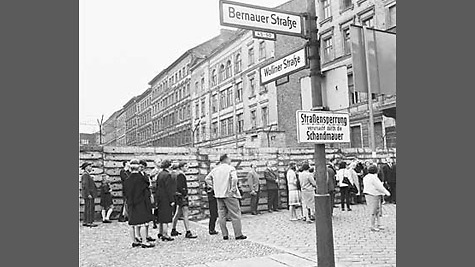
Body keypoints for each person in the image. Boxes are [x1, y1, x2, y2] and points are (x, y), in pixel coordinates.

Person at [205, 154, 247, 240]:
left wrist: (214, 186)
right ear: (226, 159)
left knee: (221, 215)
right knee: (235, 214)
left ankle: (225, 234)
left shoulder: (215, 169)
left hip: (218, 194)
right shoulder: (230, 168)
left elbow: (207, 178)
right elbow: (235, 179)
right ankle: (238, 234)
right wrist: (233, 188)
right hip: (229, 194)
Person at [123, 159, 155, 248]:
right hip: (141, 202)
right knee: (143, 223)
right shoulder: (142, 179)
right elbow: (146, 189)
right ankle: (144, 241)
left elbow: (125, 193)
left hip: (131, 203)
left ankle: (134, 241)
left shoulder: (127, 180)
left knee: (132, 224)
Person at [170, 162, 198, 238]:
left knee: (178, 213)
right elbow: (182, 187)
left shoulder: (175, 174)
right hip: (181, 196)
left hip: (177, 195)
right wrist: (185, 194)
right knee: (185, 213)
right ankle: (188, 231)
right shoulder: (181, 175)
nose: (187, 168)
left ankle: (173, 229)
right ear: (181, 167)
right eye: (186, 166)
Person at [363, 164, 391, 232]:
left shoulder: (366, 177)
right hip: (373, 194)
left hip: (369, 194)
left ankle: (378, 224)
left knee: (376, 210)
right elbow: (379, 186)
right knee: (374, 211)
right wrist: (387, 192)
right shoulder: (374, 178)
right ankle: (372, 225)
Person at [155, 159, 176, 241]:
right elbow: (168, 189)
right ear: (169, 166)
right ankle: (165, 234)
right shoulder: (167, 175)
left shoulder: (160, 174)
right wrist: (171, 200)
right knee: (166, 217)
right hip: (166, 198)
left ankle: (160, 232)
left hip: (160, 197)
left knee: (161, 216)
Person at [138, 160, 155, 243]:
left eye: (143, 167)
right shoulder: (137, 176)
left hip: (147, 197)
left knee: (148, 217)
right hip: (141, 198)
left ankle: (147, 234)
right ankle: (139, 236)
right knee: (140, 219)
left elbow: (150, 186)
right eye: (140, 166)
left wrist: (151, 195)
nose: (141, 168)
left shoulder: (145, 175)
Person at [81, 162, 98, 227]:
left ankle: (85, 221)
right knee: (90, 208)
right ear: (86, 167)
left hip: (88, 194)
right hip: (89, 195)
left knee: (87, 208)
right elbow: (85, 185)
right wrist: (88, 194)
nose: (91, 167)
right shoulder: (85, 175)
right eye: (89, 166)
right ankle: (89, 222)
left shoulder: (86, 174)